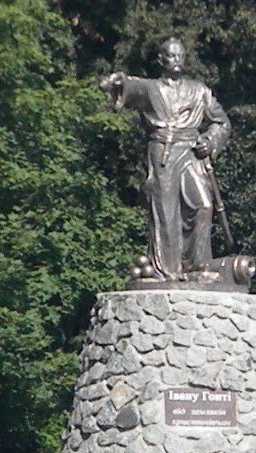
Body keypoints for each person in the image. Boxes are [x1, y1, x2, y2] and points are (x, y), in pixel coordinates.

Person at [100, 37, 231, 281]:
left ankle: (197, 266)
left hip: (191, 152)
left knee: (204, 205)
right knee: (165, 212)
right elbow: (129, 85)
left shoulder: (199, 90)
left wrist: (210, 140)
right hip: (163, 153)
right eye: (171, 56)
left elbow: (221, 122)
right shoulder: (152, 88)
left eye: (180, 56)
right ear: (161, 60)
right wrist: (116, 82)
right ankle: (167, 270)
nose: (176, 60)